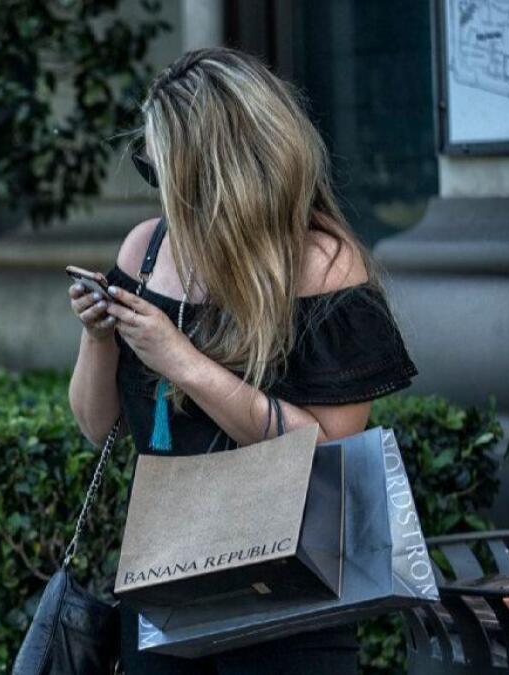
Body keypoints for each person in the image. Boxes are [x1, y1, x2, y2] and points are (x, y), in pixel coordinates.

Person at [66, 47, 417, 674]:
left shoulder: (321, 264)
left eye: (166, 167)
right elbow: (97, 426)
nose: (160, 186)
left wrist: (183, 363)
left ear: (217, 167)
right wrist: (98, 338)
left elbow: (326, 446)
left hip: (290, 593)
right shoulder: (147, 250)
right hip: (166, 582)